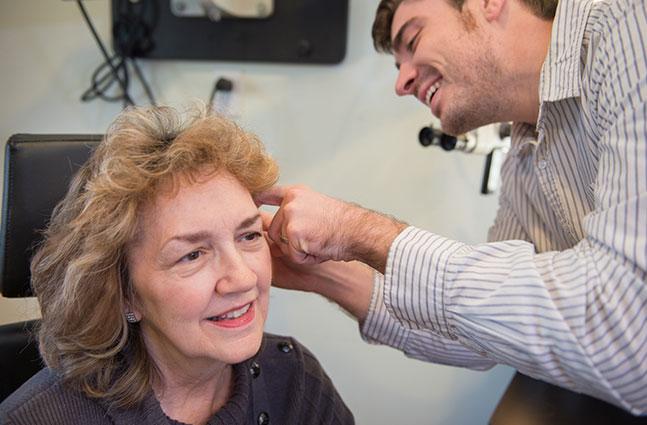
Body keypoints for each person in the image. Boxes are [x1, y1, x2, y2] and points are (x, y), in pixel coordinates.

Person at [255, 0, 647, 416]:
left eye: (413, 38)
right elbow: (480, 331)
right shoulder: (526, 153)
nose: (401, 83)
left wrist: (353, 229)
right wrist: (320, 268)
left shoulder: (626, 26)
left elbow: (628, 333)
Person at [0, 104, 354, 425]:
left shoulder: (294, 381)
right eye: (193, 254)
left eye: (248, 236)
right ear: (125, 295)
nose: (243, 278)